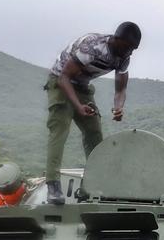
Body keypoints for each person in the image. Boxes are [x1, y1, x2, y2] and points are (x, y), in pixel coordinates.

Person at [44, 21, 142, 204]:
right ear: (117, 39)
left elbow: (120, 89)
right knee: (60, 129)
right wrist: (78, 106)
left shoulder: (123, 57)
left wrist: (118, 107)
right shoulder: (92, 47)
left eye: (133, 49)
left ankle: (93, 185)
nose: (130, 52)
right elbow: (64, 77)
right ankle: (53, 185)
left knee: (94, 133)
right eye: (127, 47)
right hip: (61, 82)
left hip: (82, 86)